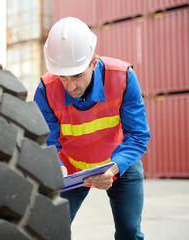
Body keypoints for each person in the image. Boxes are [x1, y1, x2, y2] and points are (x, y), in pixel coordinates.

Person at [34, 17, 150, 240]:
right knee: (50, 231)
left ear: (93, 62)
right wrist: (55, 168)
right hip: (71, 171)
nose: (70, 86)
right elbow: (46, 142)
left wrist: (114, 168)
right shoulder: (46, 90)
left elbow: (137, 135)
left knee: (129, 232)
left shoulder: (123, 77)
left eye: (77, 75)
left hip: (119, 164)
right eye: (63, 77)